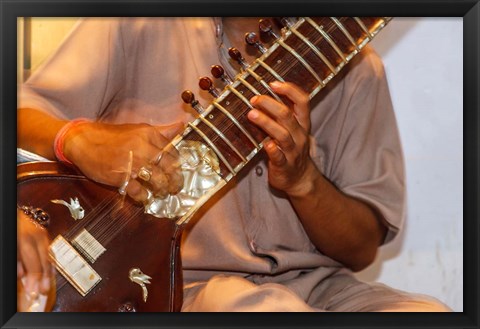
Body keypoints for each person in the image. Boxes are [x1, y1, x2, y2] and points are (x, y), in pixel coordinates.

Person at [17, 17, 451, 311]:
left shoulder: (352, 66)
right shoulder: (138, 21)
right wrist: (76, 138)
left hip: (318, 288)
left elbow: (361, 249)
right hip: (176, 284)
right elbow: (18, 115)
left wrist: (304, 182)